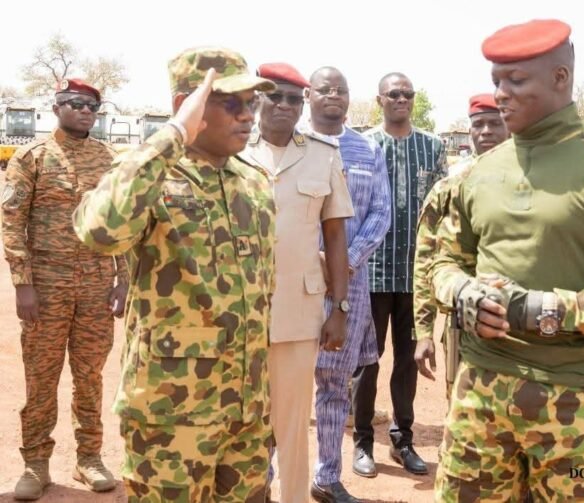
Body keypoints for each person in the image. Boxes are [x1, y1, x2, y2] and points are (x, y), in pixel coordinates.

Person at [427, 20, 584, 501]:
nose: (501, 93)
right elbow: (443, 262)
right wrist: (462, 292)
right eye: (496, 80)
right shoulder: (479, 174)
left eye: (516, 80)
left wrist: (542, 309)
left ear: (561, 77)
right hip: (479, 394)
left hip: (576, 401)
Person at [73, 47, 277, 501]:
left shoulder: (255, 181)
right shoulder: (150, 173)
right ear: (188, 105)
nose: (248, 115)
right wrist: (173, 135)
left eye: (252, 102)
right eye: (230, 102)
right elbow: (99, 231)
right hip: (172, 412)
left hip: (248, 409)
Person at [2, 78, 128, 500]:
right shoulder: (32, 157)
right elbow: (13, 222)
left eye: (92, 106)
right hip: (46, 286)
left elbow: (120, 223)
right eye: (75, 103)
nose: (85, 111)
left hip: (96, 285)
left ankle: (89, 458)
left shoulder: (109, 159)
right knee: (41, 376)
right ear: (56, 108)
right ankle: (35, 464)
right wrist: (23, 283)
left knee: (89, 376)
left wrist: (123, 278)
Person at [244, 62, 354, 503]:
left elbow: (336, 235)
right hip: (237, 312)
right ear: (258, 99)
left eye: (293, 98)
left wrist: (339, 309)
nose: (285, 105)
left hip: (298, 310)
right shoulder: (233, 150)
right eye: (276, 96)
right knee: (242, 422)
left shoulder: (323, 154)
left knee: (291, 425)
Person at [351, 71, 446, 478]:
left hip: (415, 276)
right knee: (366, 362)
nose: (401, 99)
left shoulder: (433, 147)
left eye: (408, 93)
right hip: (370, 273)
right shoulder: (363, 146)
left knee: (407, 362)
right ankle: (362, 442)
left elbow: (442, 211)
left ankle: (402, 439)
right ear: (380, 100)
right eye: (394, 94)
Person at [303, 66, 391, 503]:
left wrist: (345, 263)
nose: (334, 95)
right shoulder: (291, 145)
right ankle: (263, 476)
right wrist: (310, 261)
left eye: (341, 89)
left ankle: (327, 476)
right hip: (293, 284)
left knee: (335, 384)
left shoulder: (368, 149)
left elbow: (381, 213)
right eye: (325, 89)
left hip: (349, 287)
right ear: (309, 95)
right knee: (280, 384)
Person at [413, 93, 507, 396]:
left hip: (518, 323)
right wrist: (424, 331)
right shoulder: (449, 188)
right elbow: (426, 259)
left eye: (495, 123)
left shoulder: (535, 183)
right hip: (464, 323)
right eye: (479, 125)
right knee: (461, 409)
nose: (486, 132)